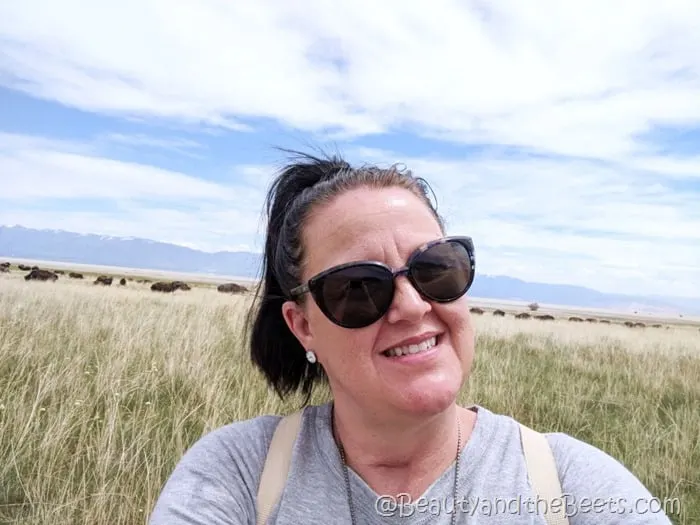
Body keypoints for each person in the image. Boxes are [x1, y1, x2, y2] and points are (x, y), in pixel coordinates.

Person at [148, 151, 673, 524]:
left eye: (436, 269)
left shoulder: (568, 485)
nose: (414, 306)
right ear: (302, 326)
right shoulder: (239, 474)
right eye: (358, 287)